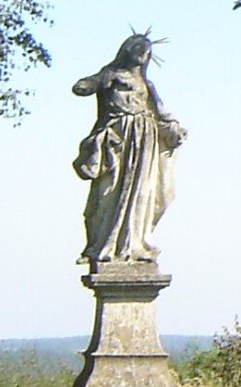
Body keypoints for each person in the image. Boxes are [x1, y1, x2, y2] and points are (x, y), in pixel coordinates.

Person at [73, 33, 186, 266]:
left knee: (142, 195)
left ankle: (135, 244)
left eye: (145, 53)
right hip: (116, 142)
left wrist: (174, 130)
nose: (142, 56)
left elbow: (161, 113)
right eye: (139, 50)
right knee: (107, 194)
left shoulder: (147, 85)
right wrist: (93, 82)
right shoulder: (111, 75)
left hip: (144, 142)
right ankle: (103, 244)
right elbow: (82, 87)